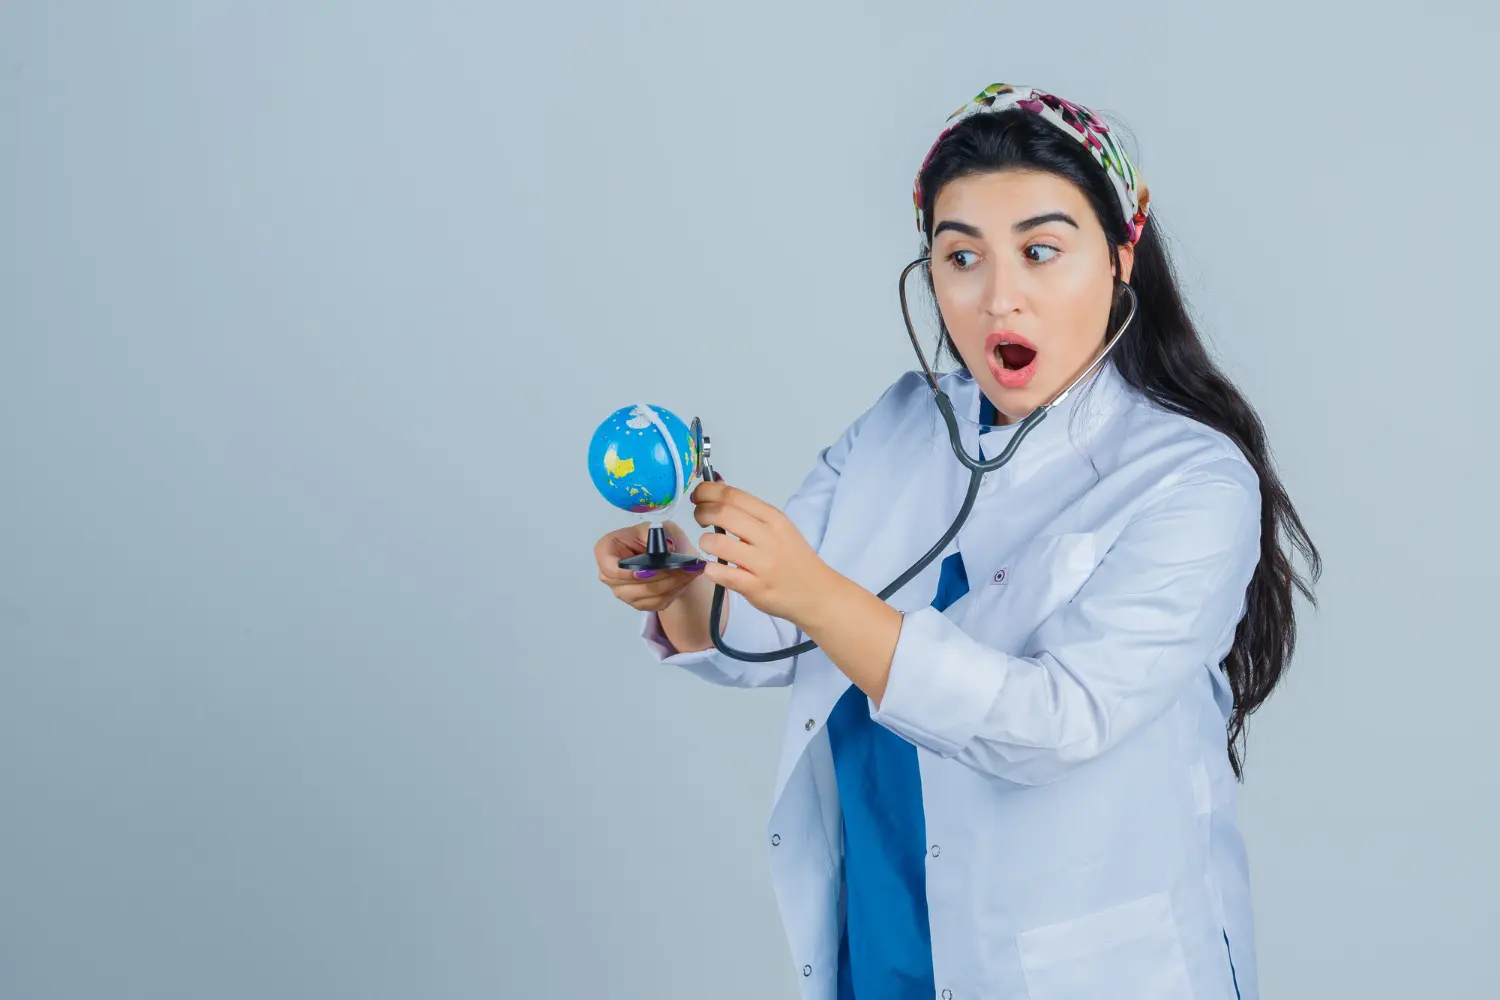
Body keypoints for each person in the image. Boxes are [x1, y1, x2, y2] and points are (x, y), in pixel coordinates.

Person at [592, 82, 1319, 1000]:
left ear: (1120, 259)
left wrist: (811, 588)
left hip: (1082, 965)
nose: (997, 297)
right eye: (961, 256)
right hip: (891, 936)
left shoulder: (1192, 479)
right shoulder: (901, 424)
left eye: (1041, 251)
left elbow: (1055, 724)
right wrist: (682, 590)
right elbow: (771, 630)